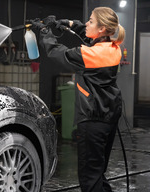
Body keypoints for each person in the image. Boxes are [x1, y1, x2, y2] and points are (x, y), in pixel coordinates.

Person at [31, 7, 125, 192]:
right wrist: (68, 24)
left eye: (91, 21)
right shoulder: (113, 48)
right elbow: (88, 33)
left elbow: (58, 52)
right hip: (109, 115)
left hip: (92, 119)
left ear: (101, 29)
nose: (87, 23)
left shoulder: (90, 54)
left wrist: (44, 32)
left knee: (89, 179)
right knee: (97, 173)